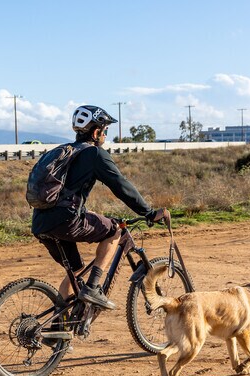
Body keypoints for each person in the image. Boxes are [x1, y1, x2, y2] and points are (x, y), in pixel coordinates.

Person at [32, 105, 166, 310]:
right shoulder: (95, 154)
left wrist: (85, 212)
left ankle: (60, 330)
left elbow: (63, 195)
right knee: (114, 230)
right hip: (65, 220)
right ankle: (93, 287)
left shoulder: (65, 152)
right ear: (96, 132)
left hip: (41, 222)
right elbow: (120, 185)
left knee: (76, 273)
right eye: (105, 130)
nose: (105, 134)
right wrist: (147, 212)